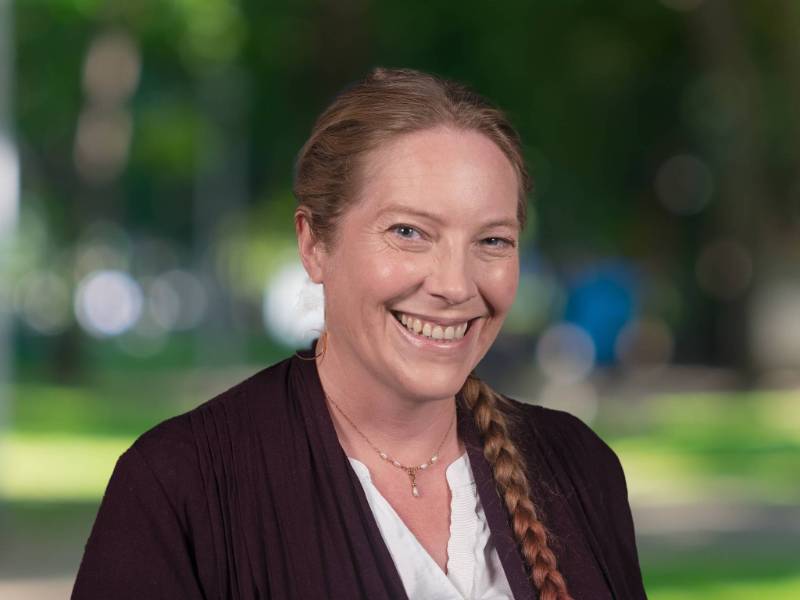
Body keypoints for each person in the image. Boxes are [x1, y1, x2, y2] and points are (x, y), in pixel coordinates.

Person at [72, 68, 647, 600]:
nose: (453, 284)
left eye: (492, 241)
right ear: (314, 244)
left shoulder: (577, 469)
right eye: (409, 232)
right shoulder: (183, 486)